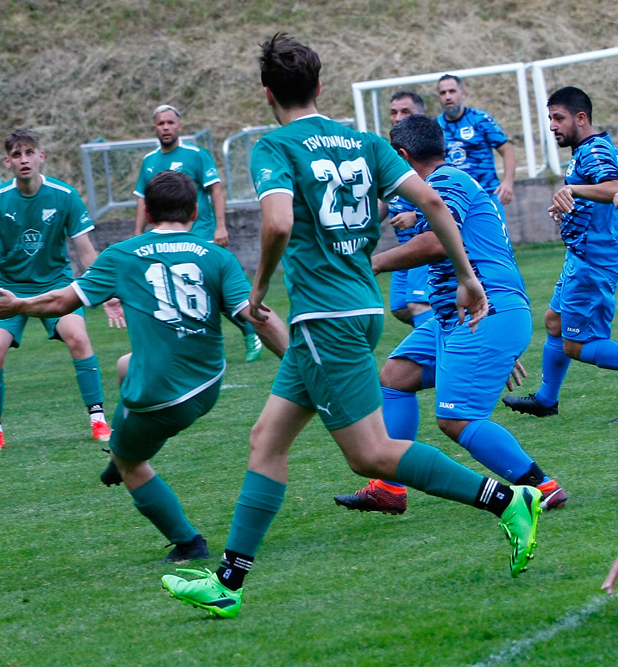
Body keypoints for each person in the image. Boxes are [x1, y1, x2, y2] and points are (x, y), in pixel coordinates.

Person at [160, 33, 543, 620]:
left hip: (324, 317)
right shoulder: (363, 141)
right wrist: (469, 279)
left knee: (371, 456)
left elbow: (280, 223)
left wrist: (259, 287)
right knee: (266, 440)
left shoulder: (275, 147)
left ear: (268, 94)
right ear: (319, 86)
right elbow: (435, 208)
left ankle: (507, 499)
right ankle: (229, 582)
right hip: (356, 309)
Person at [0, 170, 288, 561]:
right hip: (208, 383)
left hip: (161, 396)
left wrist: (19, 306)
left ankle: (187, 541)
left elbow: (61, 302)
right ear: (195, 211)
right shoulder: (218, 257)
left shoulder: (121, 255)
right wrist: (300, 361)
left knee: (133, 463)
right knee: (126, 364)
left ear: (144, 210)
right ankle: (120, 449)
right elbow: (256, 315)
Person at [333, 114, 567, 516]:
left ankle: (542, 487)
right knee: (396, 377)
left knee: (456, 419)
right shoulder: (443, 184)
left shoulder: (447, 183)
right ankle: (390, 487)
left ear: (403, 156)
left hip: (485, 310)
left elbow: (440, 242)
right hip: (458, 319)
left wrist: (371, 263)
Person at [0, 129, 123, 452]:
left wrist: (106, 294)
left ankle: (97, 418)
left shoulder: (64, 196)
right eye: (17, 155)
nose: (24, 160)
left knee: (78, 337)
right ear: (8, 161)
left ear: (41, 156)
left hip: (57, 283)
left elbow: (86, 251)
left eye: (30, 152)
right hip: (8, 287)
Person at [502, 87, 618, 418]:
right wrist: (567, 206)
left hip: (593, 263)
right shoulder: (586, 151)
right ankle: (546, 400)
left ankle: (547, 398)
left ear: (581, 118)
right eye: (550, 118)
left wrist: (571, 190)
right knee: (554, 322)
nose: (552, 125)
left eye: (558, 118)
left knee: (577, 345)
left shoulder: (595, 151)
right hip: (581, 256)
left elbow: (614, 187)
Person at [133, 104, 263, 362]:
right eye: (161, 123)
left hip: (200, 233)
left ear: (179, 126)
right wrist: (137, 235)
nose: (166, 128)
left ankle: (249, 331)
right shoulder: (149, 162)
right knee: (184, 292)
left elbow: (216, 190)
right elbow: (142, 200)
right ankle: (229, 336)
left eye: (171, 123)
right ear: (155, 128)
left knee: (210, 288)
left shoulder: (196, 155)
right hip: (166, 237)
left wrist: (221, 226)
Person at [383, 91, 433, 328]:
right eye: (394, 112)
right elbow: (384, 196)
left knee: (419, 305)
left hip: (427, 243)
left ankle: (442, 358)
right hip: (405, 247)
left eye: (405, 111)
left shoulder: (428, 153)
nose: (398, 117)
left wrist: (416, 216)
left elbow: (447, 201)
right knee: (401, 307)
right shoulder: (392, 155)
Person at [436, 74, 516, 221]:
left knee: (496, 243)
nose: (448, 97)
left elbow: (507, 151)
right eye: (443, 93)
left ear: (462, 94)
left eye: (452, 91)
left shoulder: (480, 119)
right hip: (453, 201)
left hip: (486, 195)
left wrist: (508, 182)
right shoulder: (435, 127)